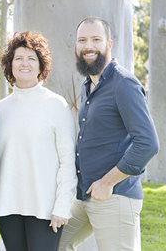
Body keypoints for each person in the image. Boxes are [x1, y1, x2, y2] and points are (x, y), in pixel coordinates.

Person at [58, 17, 159, 251]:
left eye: (96, 39)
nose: (88, 46)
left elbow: (148, 143)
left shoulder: (124, 84)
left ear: (109, 44)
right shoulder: (88, 86)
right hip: (85, 196)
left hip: (115, 196)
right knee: (52, 244)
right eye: (82, 40)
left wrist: (107, 182)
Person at [0, 31, 77, 251]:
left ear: (40, 66)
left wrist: (63, 206)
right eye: (18, 58)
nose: (24, 63)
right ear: (10, 65)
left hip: (45, 208)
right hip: (7, 205)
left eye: (31, 58)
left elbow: (68, 161)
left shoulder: (57, 105)